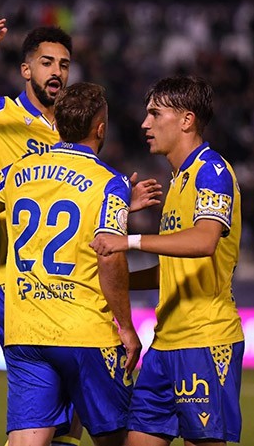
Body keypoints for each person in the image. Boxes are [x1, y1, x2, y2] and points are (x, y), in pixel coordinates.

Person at [0, 19, 159, 446]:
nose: (57, 72)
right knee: (62, 423)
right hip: (14, 284)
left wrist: (119, 200)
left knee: (61, 426)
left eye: (65, 64)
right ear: (26, 70)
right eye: (47, 62)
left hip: (72, 284)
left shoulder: (70, 128)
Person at [0, 82, 142, 446]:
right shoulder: (110, 183)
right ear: (100, 129)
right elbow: (110, 255)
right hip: (84, 331)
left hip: (25, 330)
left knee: (27, 441)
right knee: (118, 439)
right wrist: (127, 326)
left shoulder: (19, 171)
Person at [90, 75, 244, 446]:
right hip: (164, 345)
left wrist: (128, 241)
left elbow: (205, 241)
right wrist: (117, 282)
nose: (145, 124)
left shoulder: (212, 171)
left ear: (186, 120)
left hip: (204, 341)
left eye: (155, 114)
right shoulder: (178, 180)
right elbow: (176, 267)